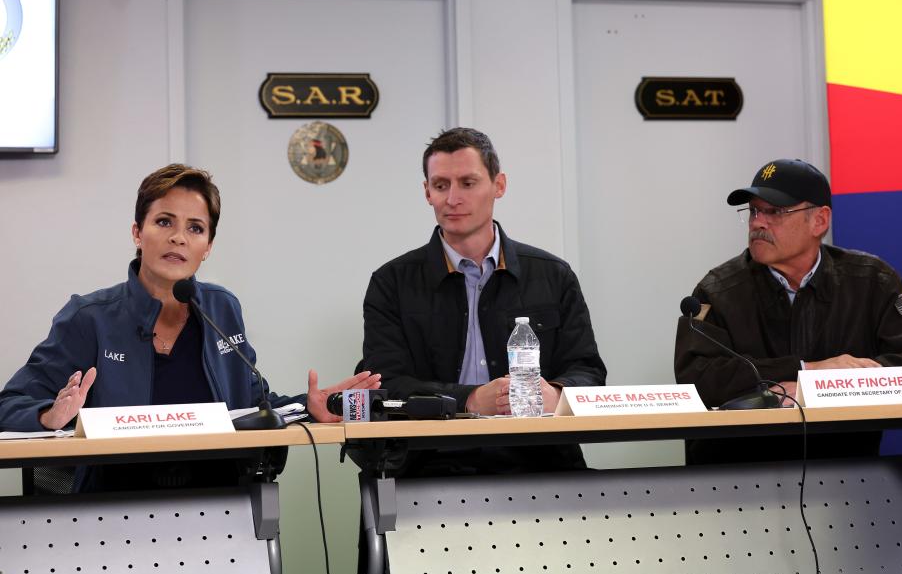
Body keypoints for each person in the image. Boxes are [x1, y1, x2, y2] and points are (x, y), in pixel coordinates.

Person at [0, 163, 380, 489]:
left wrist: (308, 406)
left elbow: (251, 406)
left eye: (196, 228)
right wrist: (50, 416)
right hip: (112, 510)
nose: (178, 237)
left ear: (208, 246)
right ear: (137, 233)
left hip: (223, 504)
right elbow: (9, 405)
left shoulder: (221, 310)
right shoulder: (90, 317)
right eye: (164, 221)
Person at [361, 127, 606, 475]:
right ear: (427, 192)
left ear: (499, 185)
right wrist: (471, 399)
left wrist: (556, 393)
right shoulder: (392, 283)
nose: (453, 198)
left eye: (468, 183)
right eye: (441, 185)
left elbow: (589, 371)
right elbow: (387, 384)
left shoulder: (552, 275)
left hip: (538, 459)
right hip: (428, 462)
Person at [674, 158, 902, 464]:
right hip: (738, 475)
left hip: (846, 471)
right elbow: (697, 380)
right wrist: (808, 369)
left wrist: (825, 387)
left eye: (775, 212)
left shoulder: (872, 281)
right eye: (753, 211)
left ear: (820, 221)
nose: (757, 223)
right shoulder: (717, 290)